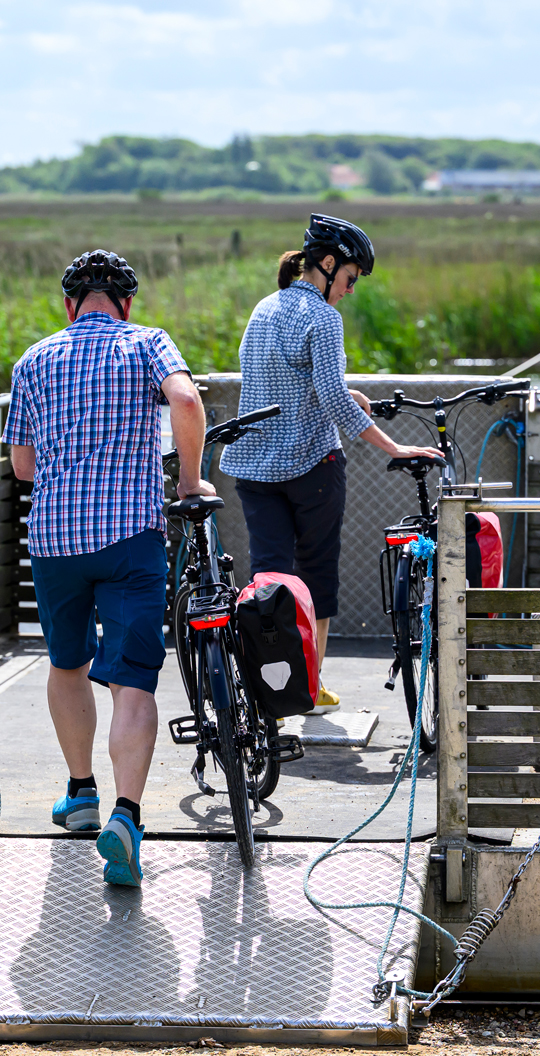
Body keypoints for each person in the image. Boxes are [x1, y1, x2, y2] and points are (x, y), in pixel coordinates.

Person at [4, 249, 212, 887]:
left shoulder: (34, 359)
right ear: (126, 303)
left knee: (67, 663)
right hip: (129, 536)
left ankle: (80, 792)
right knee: (133, 682)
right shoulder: (148, 343)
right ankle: (126, 816)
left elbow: (21, 466)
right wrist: (188, 479)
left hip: (56, 540)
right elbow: (186, 400)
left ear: (70, 306)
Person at [220, 214, 442, 711]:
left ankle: (268, 692)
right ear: (326, 264)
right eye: (349, 278)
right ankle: (311, 688)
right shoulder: (323, 319)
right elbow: (332, 402)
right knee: (316, 575)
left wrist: (345, 393)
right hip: (311, 468)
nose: (350, 290)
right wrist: (395, 447)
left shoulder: (264, 308)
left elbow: (285, 385)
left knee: (269, 582)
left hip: (255, 470)